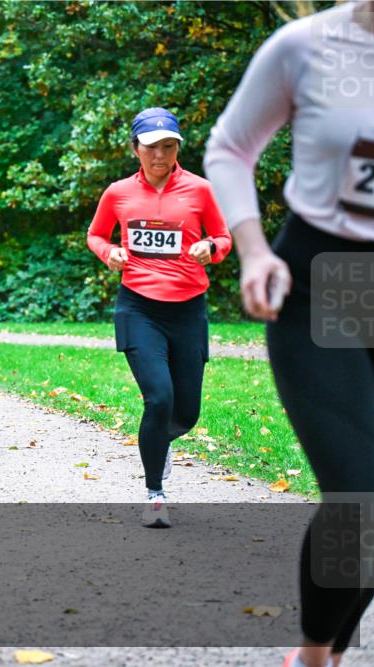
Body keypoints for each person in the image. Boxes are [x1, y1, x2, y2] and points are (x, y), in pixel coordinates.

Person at [204, 2, 374, 664]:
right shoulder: (305, 45)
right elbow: (230, 146)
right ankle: (312, 655)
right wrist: (252, 249)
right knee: (361, 494)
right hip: (322, 280)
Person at [87, 107, 232, 528]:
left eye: (168, 147)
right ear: (136, 149)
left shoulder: (200, 190)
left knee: (186, 414)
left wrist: (211, 247)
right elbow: (96, 234)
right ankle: (155, 493)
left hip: (189, 311)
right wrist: (109, 252)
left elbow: (223, 236)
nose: (160, 156)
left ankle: (159, 443)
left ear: (177, 149)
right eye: (151, 147)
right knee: (159, 398)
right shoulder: (117, 193)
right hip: (138, 307)